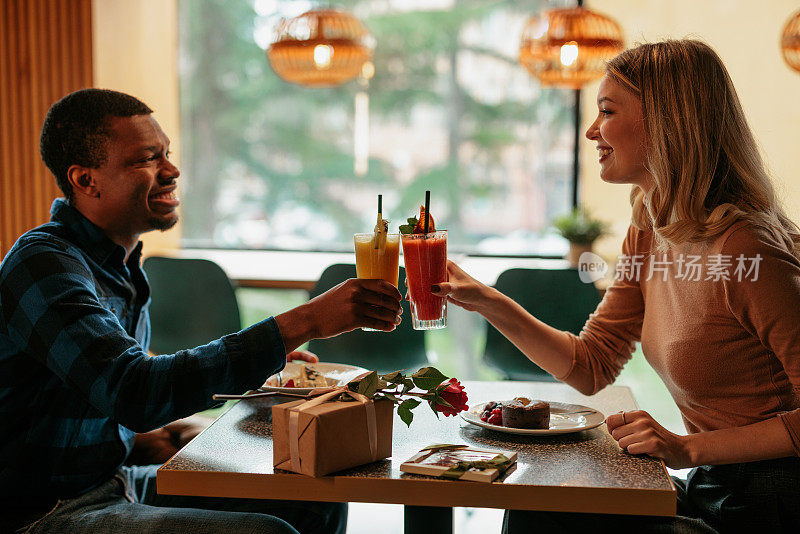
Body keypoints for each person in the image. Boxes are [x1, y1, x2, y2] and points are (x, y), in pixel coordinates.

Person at [435, 40, 800, 532]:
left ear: (668, 122)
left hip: (771, 503)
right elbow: (592, 363)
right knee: (539, 501)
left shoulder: (746, 249)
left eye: (606, 111)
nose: (591, 131)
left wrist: (686, 447)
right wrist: (486, 300)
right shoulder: (651, 225)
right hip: (716, 485)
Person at [0, 88, 403, 533]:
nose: (171, 171)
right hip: (43, 510)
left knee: (316, 499)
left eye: (167, 154)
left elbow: (115, 394)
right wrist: (305, 321)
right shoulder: (43, 263)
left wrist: (255, 380)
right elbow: (133, 392)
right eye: (146, 159)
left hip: (113, 483)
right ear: (85, 180)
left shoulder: (121, 270)